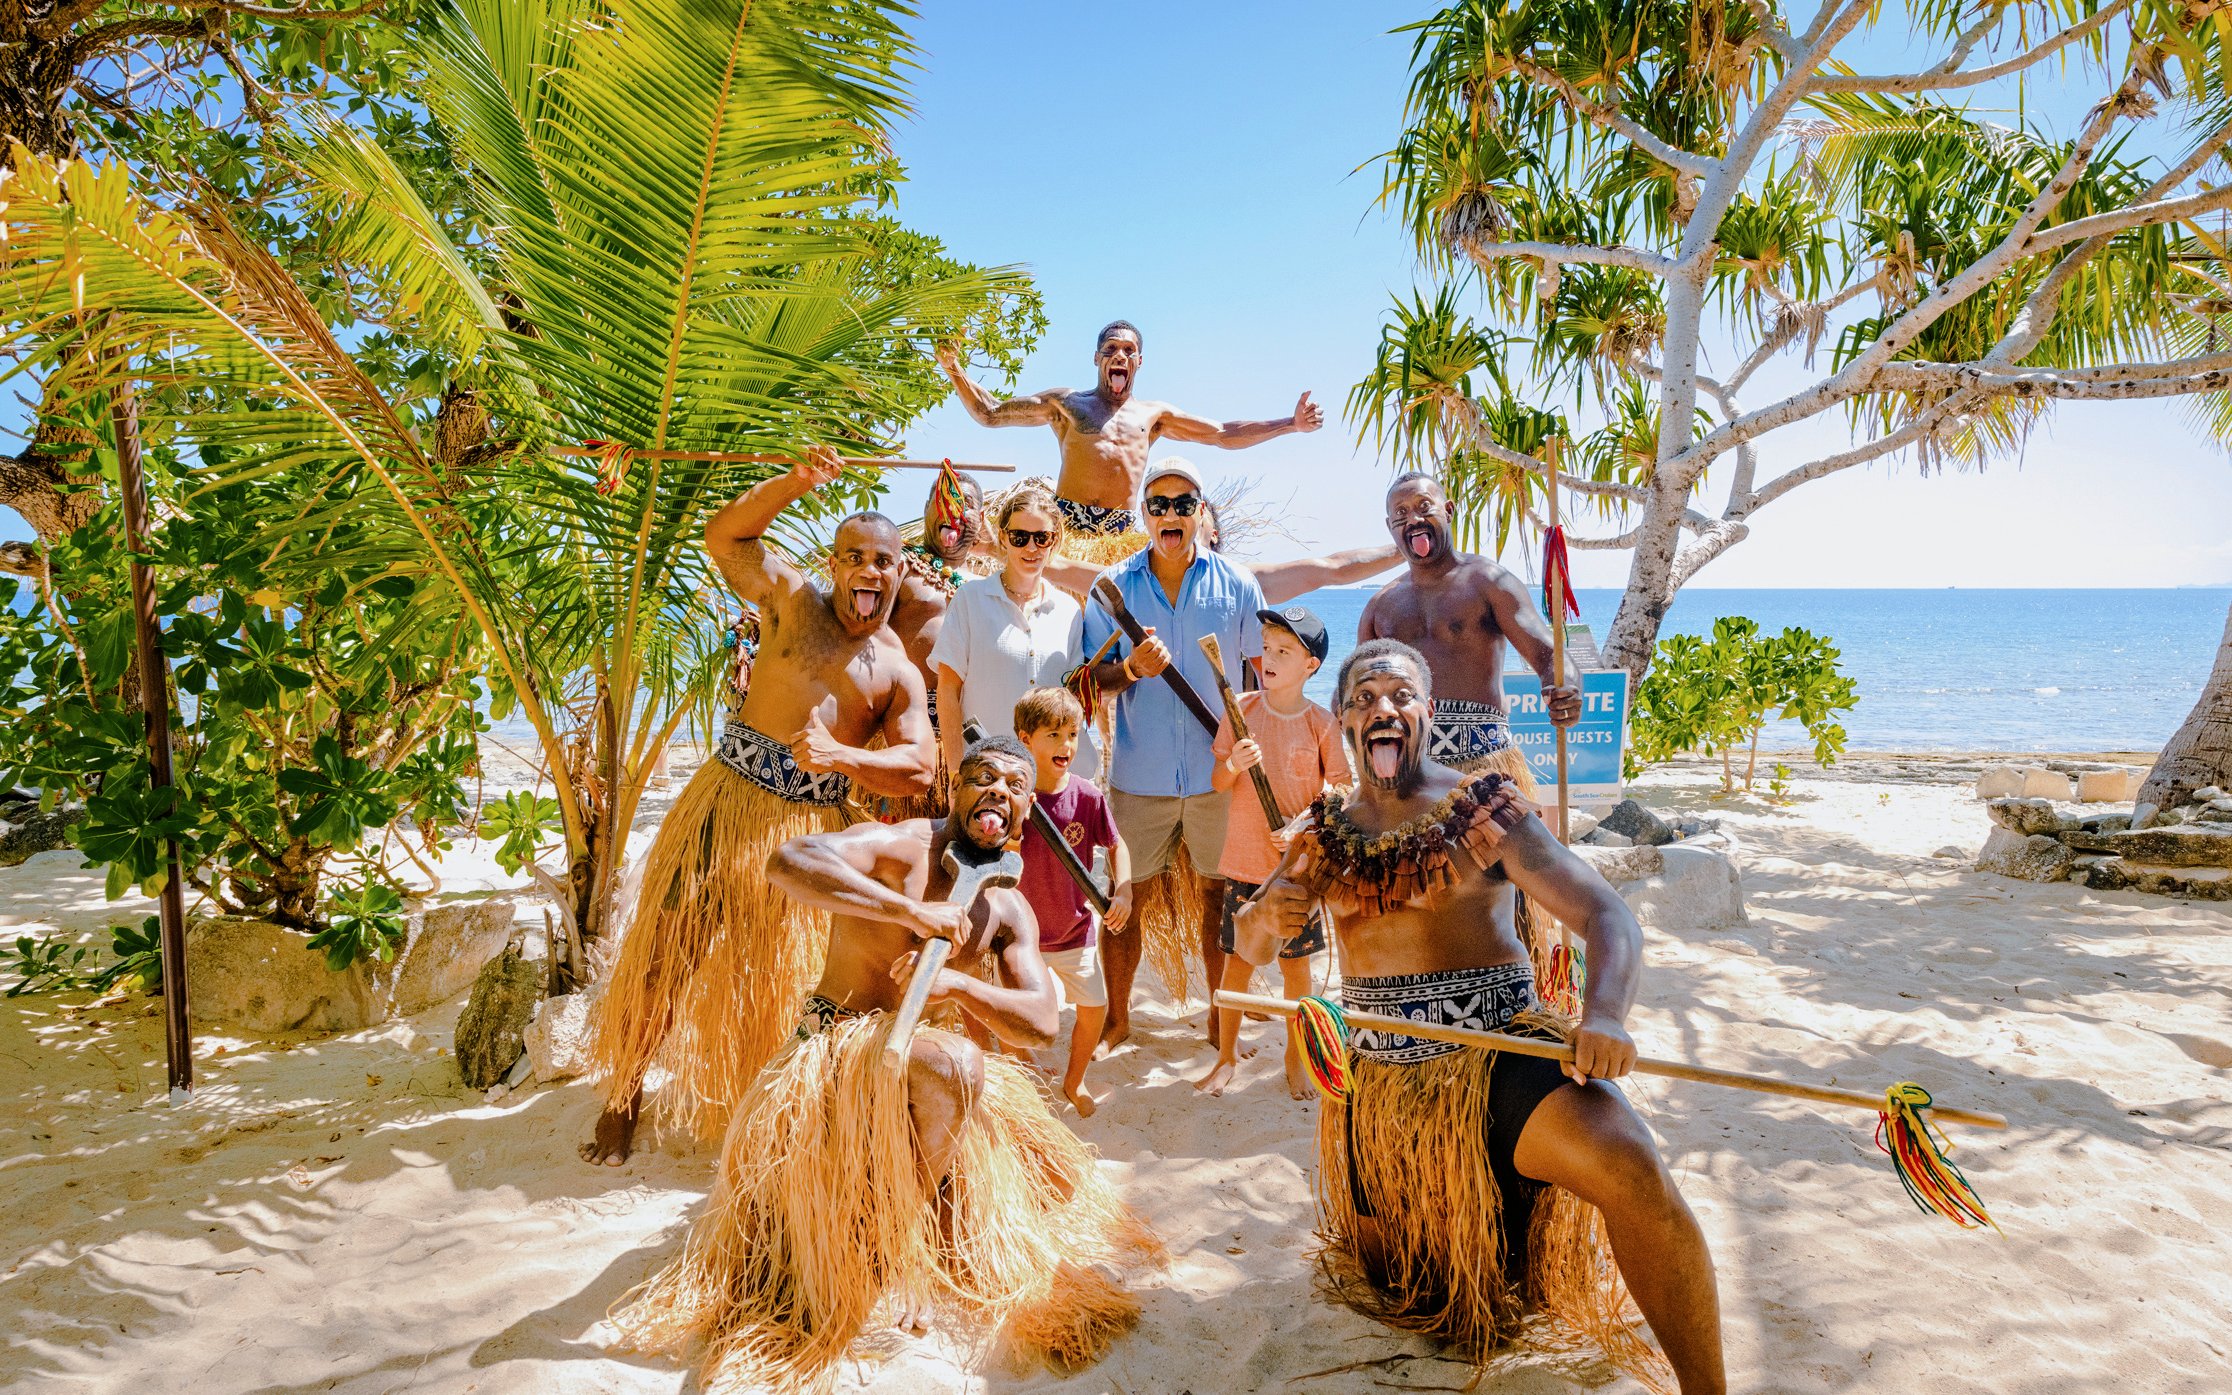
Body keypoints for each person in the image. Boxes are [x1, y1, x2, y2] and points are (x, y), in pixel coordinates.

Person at [1232, 640, 1724, 1393]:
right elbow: (1250, 940)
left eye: (1399, 694)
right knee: (1419, 1291)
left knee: (1631, 1167)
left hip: (1495, 1053)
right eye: (1363, 699)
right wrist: (1268, 912)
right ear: (1344, 720)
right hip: (1380, 1092)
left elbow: (1608, 914)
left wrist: (1607, 1015)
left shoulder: (1484, 811)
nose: (1382, 709)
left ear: (1426, 711)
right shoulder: (1322, 830)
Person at [609, 736, 1158, 1391]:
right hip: (833, 1048)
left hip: (914, 1071)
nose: (1000, 794)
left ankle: (922, 1219)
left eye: (1017, 788)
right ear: (956, 788)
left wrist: (958, 987)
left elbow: (1041, 1019)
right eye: (984, 778)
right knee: (958, 1064)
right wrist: (908, 909)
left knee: (1045, 1169)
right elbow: (788, 859)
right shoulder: (892, 846)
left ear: (1025, 813)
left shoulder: (1006, 906)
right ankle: (898, 1246)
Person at [580, 447, 936, 1166]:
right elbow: (725, 539)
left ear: (900, 571)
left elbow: (920, 766)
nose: (870, 570)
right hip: (725, 803)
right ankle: (624, 1095)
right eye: (855, 556)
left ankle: (776, 1112)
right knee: (666, 950)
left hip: (811, 830)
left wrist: (847, 759)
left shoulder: (897, 667)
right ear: (834, 564)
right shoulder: (789, 598)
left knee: (793, 978)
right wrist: (795, 482)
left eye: (884, 561)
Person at [1081, 459, 1262, 1050]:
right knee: (1122, 901)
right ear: (1143, 515)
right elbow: (1086, 681)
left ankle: (1219, 1017)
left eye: (1183, 504)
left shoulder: (1237, 584)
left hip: (1218, 776)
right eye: (1158, 504)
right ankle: (1116, 1019)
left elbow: (1259, 676)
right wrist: (1131, 667)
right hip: (1140, 775)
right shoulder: (1112, 588)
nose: (1170, 514)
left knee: (1218, 896)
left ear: (1200, 512)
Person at [937, 322, 1323, 550]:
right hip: (1065, 529)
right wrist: (954, 369)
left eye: (1129, 350)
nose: (1119, 356)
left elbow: (1222, 433)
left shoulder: (1153, 415)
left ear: (1138, 361)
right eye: (1111, 349)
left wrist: (1289, 424)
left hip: (1119, 536)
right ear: (1097, 359)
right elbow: (990, 413)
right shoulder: (1066, 404)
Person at [1196, 605, 1348, 1100]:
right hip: (1244, 865)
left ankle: (1295, 1055)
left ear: (1311, 665)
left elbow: (1341, 791)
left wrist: (1306, 823)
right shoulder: (1241, 709)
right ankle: (1225, 1055)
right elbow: (1217, 782)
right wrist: (1236, 765)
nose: (1271, 658)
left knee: (1295, 970)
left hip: (1297, 873)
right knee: (1238, 962)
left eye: (1285, 651)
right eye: (1267, 647)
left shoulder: (1321, 723)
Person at [1358, 472, 1583, 792]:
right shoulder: (1380, 606)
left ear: (1448, 510)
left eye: (1424, 506)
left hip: (1487, 767)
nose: (1414, 519)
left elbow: (1549, 655)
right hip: (1409, 776)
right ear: (1390, 526)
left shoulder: (1489, 582)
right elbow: (1358, 694)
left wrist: (1565, 689)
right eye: (1401, 513)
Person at [929, 479, 1104, 781]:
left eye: (1042, 537)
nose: (1032, 547)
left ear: (1055, 540)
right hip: (989, 781)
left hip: (1060, 779)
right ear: (1003, 538)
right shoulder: (970, 599)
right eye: (1020, 537)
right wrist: (958, 771)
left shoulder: (1069, 610)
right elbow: (947, 690)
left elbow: (1072, 697)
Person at [1011, 686, 1132, 1116]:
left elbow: (1116, 846)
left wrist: (1125, 887)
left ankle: (1073, 1079)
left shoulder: (1087, 796)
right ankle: (1021, 1068)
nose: (1067, 745)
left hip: (1074, 930)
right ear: (1024, 739)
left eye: (1073, 735)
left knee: (1094, 1008)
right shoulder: (1011, 798)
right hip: (1020, 936)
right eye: (1053, 735)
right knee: (1016, 1015)